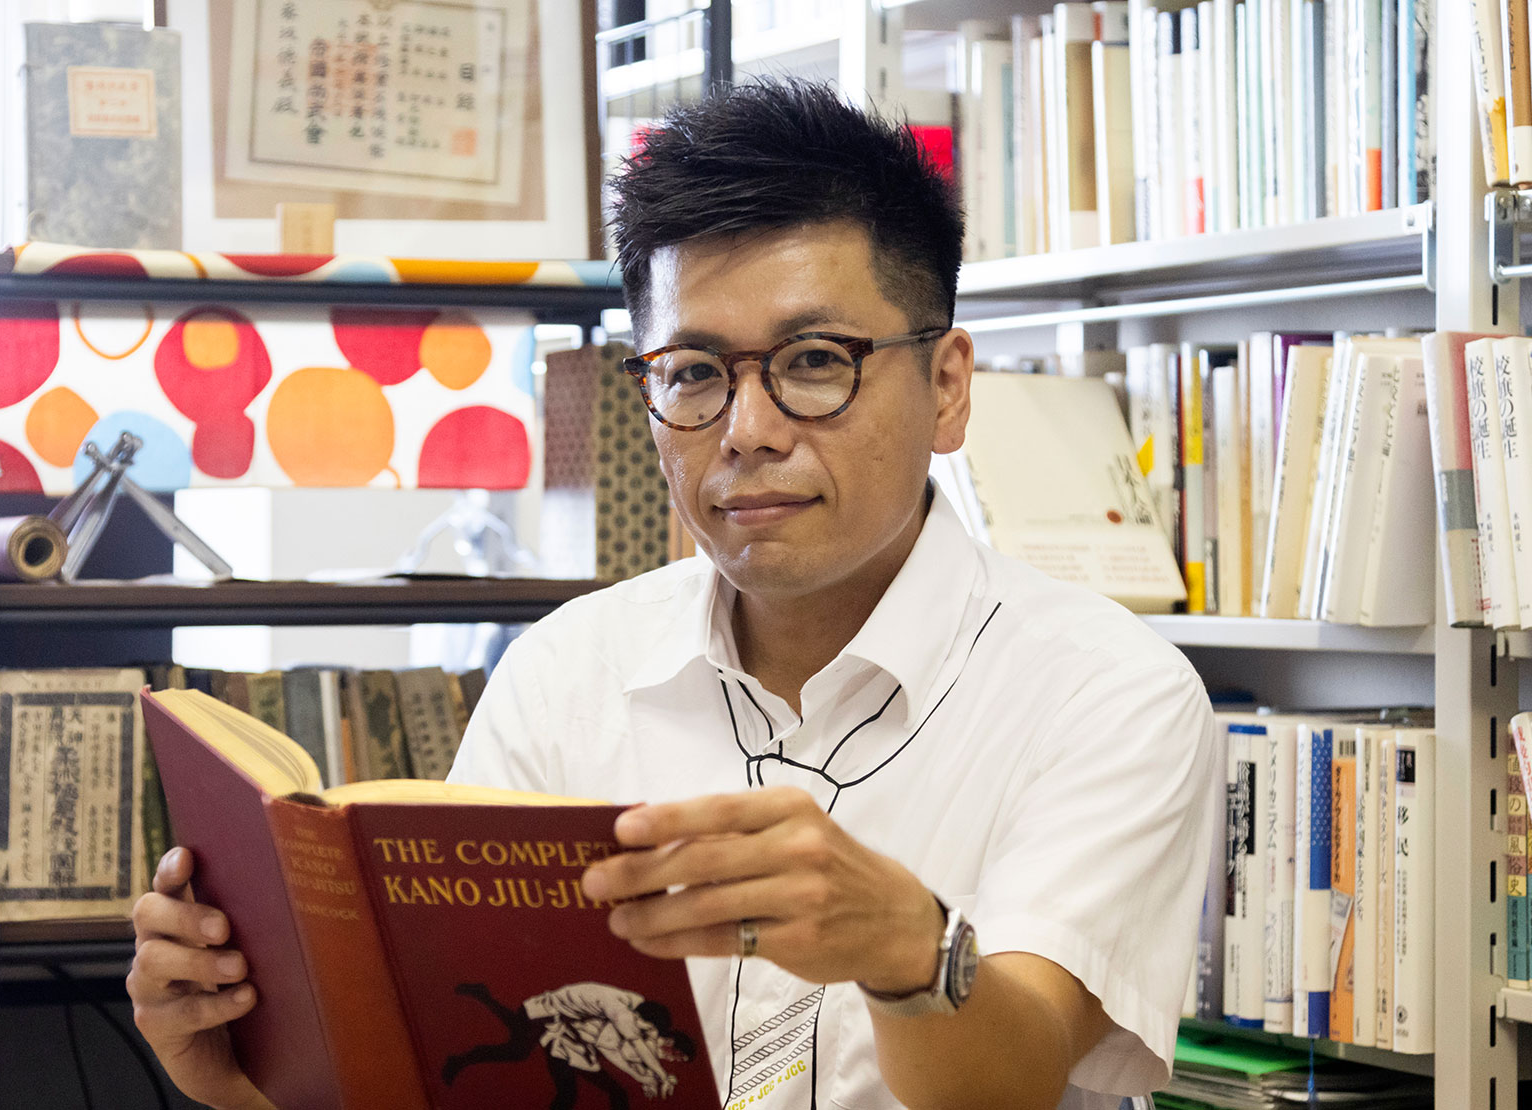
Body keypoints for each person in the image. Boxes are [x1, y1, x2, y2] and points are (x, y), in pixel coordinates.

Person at [127, 78, 1220, 1110]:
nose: (747, 430)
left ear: (946, 387)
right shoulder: (567, 672)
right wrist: (243, 1079)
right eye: (693, 373)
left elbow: (1017, 1075)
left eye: (815, 360)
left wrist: (909, 952)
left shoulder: (1106, 692)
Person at [441, 980, 698, 1107]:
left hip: (570, 1034)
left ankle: (483, 996)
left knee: (570, 1092)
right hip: (550, 1014)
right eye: (675, 1053)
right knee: (517, 1050)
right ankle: (461, 1056)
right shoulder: (623, 1013)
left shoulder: (639, 1008)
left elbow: (625, 1049)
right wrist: (657, 1076)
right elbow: (620, 1048)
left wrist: (648, 1076)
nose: (672, 1058)